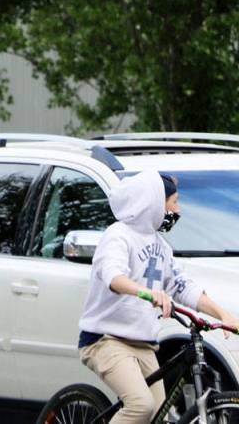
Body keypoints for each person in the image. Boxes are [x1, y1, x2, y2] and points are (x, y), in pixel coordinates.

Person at [78, 171, 238, 424]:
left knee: (156, 414)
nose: (178, 210)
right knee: (140, 406)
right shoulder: (118, 235)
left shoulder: (162, 247)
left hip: (144, 343)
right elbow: (113, 277)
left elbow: (184, 287)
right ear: (153, 203)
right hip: (106, 340)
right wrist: (146, 292)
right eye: (174, 202)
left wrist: (222, 314)